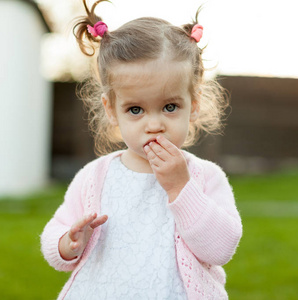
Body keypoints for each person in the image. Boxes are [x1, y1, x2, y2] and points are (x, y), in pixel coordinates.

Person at [40, 1, 242, 299]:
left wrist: (181, 188)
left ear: (194, 105)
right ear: (111, 111)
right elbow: (56, 230)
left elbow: (221, 247)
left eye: (170, 107)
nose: (154, 124)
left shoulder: (203, 176)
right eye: (135, 109)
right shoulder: (95, 176)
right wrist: (66, 243)